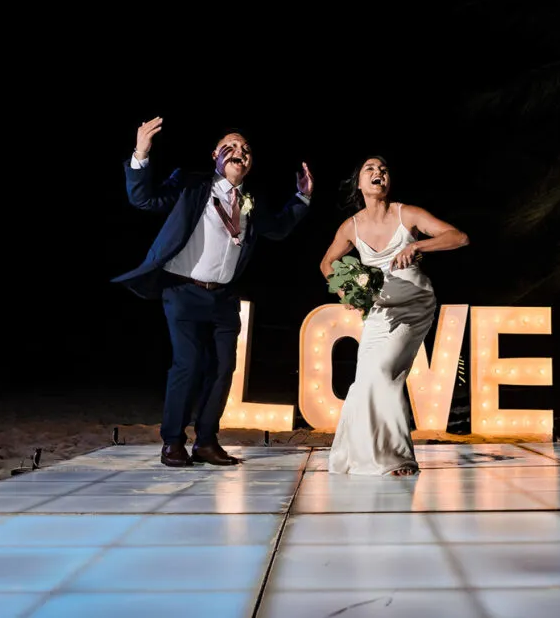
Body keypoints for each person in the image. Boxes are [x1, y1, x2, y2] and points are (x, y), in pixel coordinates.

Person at [113, 118, 313, 467]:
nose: (240, 153)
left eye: (246, 150)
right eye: (231, 147)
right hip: (183, 290)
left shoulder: (250, 198)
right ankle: (172, 442)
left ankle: (206, 441)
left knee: (222, 369)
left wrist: (303, 197)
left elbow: (278, 229)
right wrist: (141, 153)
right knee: (187, 365)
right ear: (214, 156)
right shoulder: (191, 184)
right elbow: (143, 199)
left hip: (224, 297)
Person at [319, 156, 468, 476]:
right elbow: (327, 264)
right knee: (364, 382)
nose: (378, 173)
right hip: (378, 313)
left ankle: (399, 457)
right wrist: (346, 292)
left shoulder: (408, 214)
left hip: (414, 306)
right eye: (370, 170)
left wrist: (419, 247)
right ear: (359, 184)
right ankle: (353, 455)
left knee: (385, 371)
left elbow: (458, 237)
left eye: (383, 169)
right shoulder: (351, 226)